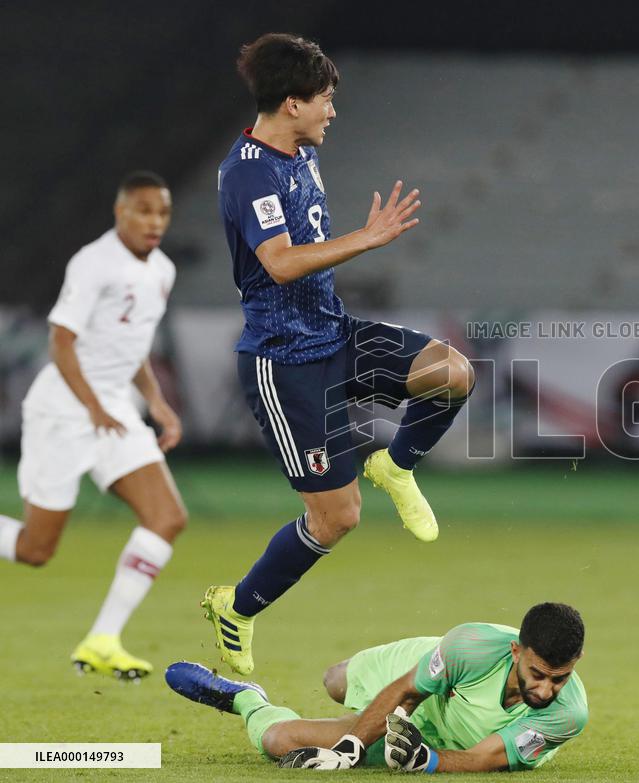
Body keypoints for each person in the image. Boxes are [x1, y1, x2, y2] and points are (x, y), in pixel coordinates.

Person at [205, 32, 474, 676]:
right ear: (292, 103)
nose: (332, 111)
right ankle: (236, 607)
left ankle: (396, 466)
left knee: (452, 374)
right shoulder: (250, 172)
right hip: (283, 362)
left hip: (336, 333)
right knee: (336, 518)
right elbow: (278, 264)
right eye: (325, 99)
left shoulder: (298, 152)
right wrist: (367, 238)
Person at [0, 171, 187, 680]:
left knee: (166, 517)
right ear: (120, 212)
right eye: (144, 210)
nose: (155, 222)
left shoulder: (162, 271)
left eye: (163, 212)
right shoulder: (94, 263)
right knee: (36, 550)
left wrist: (157, 404)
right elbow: (61, 341)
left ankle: (104, 638)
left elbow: (134, 349)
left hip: (114, 409)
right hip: (63, 410)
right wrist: (93, 406)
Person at [167, 603, 587, 772]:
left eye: (559, 677)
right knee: (335, 680)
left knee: (278, 739)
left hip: (450, 739)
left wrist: (424, 760)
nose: (547, 689)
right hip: (429, 688)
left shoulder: (568, 713)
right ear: (516, 650)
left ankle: (245, 699)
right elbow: (407, 692)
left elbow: (485, 757)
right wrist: (348, 750)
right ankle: (355, 730)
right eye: (538, 673)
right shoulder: (471, 646)